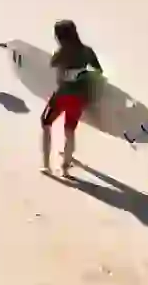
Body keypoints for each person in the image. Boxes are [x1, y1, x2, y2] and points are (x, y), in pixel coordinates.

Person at [40, 20, 103, 175]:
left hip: (62, 95)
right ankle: (65, 167)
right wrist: (82, 74)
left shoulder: (61, 53)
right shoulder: (87, 51)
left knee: (46, 123)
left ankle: (47, 166)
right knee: (69, 130)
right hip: (80, 98)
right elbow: (98, 71)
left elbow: (52, 64)